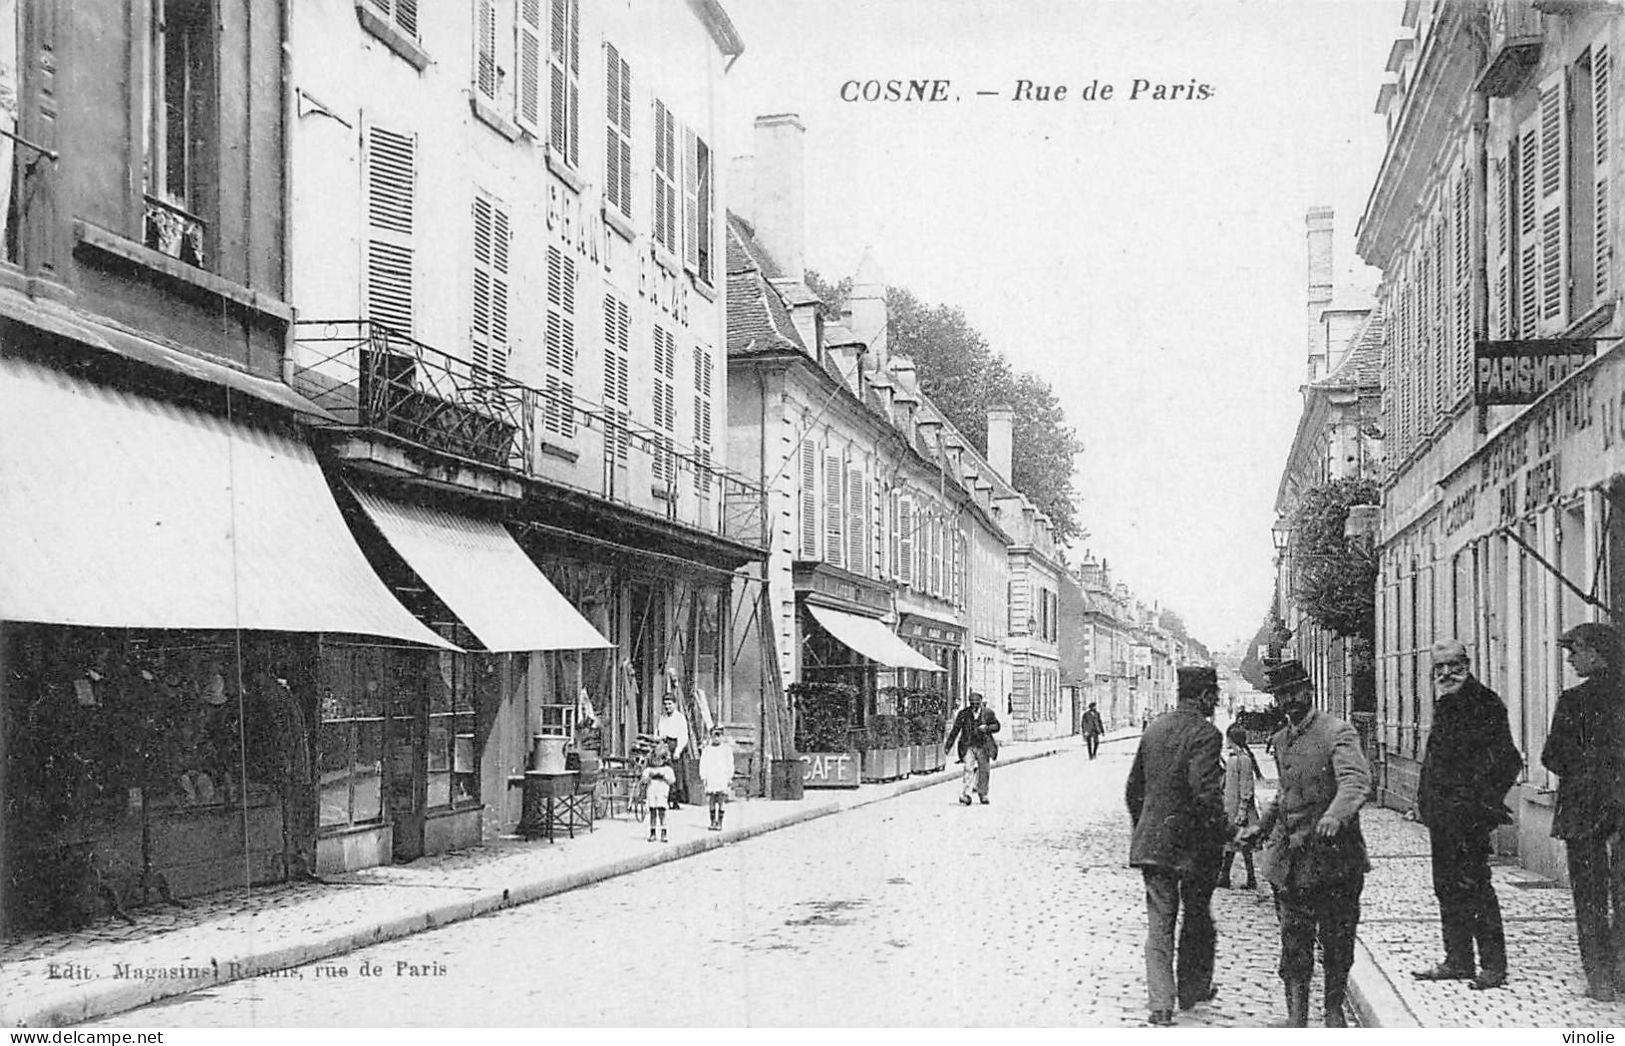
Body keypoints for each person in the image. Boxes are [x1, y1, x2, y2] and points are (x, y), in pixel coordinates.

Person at [1241, 659, 1370, 1028]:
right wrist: (1262, 827)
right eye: (1281, 695)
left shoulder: (1337, 732)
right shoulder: (1281, 741)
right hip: (1293, 863)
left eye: (1294, 691)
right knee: (1294, 946)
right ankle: (1296, 1020)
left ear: (1309, 689)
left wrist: (1336, 815)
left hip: (1335, 860)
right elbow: (1284, 794)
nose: (1289, 701)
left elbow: (1355, 781)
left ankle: (1332, 1012)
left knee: (1337, 942)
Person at [1411, 639, 1522, 991]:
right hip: (1443, 818)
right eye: (1439, 667)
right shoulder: (1446, 704)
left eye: (1454, 665)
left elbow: (1509, 761)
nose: (1446, 673)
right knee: (1446, 887)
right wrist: (1425, 803)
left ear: (1468, 665)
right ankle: (1457, 960)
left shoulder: (1485, 703)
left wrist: (1482, 805)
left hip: (1469, 817)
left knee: (1475, 888)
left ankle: (1493, 966)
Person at [1125, 666, 1227, 1026]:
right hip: (1193, 848)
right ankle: (1192, 988)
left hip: (1155, 845)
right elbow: (1206, 795)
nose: (1215, 702)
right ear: (1203, 697)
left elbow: (1133, 789)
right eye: (1213, 695)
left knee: (1160, 924)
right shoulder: (1207, 734)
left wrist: (1147, 829)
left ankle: (1161, 1004)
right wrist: (1222, 833)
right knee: (1198, 916)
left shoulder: (1154, 729)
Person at [1542, 622, 1625, 1001]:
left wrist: (1587, 772)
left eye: (1575, 651)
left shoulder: (1574, 701)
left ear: (1596, 653)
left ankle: (1600, 980)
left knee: (1590, 899)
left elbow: (1552, 756)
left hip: (1584, 812)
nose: (1571, 659)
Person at [1219, 722, 1262, 890]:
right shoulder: (1233, 758)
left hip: (1239, 810)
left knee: (1243, 845)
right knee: (1232, 843)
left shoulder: (1243, 760)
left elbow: (1246, 787)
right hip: (1231, 808)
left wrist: (1242, 811)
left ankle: (1250, 878)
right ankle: (1225, 876)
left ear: (1232, 739)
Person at [944, 691, 1001, 805]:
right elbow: (955, 730)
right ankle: (966, 795)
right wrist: (948, 745)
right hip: (968, 745)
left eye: (976, 704)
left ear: (980, 703)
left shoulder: (988, 713)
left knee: (984, 770)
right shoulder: (963, 714)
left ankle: (983, 794)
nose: (974, 706)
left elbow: (997, 726)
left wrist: (987, 728)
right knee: (968, 769)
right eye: (972, 704)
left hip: (983, 746)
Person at [655, 693, 692, 809]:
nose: (667, 707)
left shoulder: (680, 718)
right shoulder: (662, 718)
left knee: (676, 774)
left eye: (670, 704)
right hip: (664, 746)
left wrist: (678, 750)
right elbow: (658, 732)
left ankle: (676, 800)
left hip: (676, 746)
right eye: (665, 704)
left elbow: (683, 736)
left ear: (675, 704)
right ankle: (666, 799)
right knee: (664, 772)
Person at [698, 726, 735, 832]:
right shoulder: (707, 750)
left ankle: (720, 822)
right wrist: (703, 776)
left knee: (721, 800)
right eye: (714, 735)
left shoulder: (726, 750)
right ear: (711, 736)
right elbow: (703, 764)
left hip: (722, 777)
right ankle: (712, 821)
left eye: (718, 735)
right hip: (711, 777)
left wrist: (729, 777)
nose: (716, 738)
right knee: (712, 800)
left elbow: (730, 764)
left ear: (722, 736)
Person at [642, 742, 676, 843]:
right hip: (652, 792)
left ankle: (663, 831)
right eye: (655, 758)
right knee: (652, 811)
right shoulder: (649, 769)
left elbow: (672, 780)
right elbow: (644, 780)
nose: (657, 761)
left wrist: (664, 777)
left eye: (660, 758)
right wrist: (647, 778)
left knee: (662, 811)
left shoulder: (667, 769)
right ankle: (652, 831)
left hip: (662, 792)